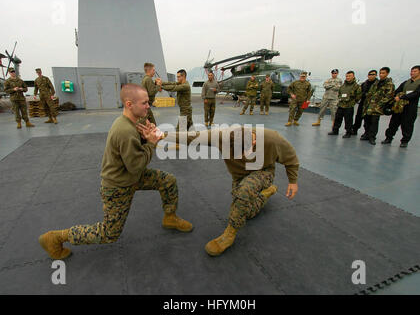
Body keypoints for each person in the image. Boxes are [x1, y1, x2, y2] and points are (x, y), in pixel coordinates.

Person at [39, 84, 193, 260]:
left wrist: (145, 137)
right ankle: (56, 237)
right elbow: (137, 166)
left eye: (148, 102)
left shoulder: (131, 122)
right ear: (129, 104)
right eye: (144, 103)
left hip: (130, 176)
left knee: (168, 181)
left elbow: (135, 157)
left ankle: (170, 217)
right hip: (118, 185)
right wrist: (151, 143)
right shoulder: (125, 131)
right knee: (109, 233)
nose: (148, 106)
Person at [149, 125, 299, 257]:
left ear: (253, 141)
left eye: (247, 151)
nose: (244, 156)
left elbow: (291, 157)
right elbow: (192, 137)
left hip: (263, 172)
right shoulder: (221, 137)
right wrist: (162, 135)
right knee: (246, 211)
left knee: (244, 193)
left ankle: (229, 234)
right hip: (239, 177)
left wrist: (293, 181)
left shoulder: (271, 138)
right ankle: (266, 193)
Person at [382, 65, 420, 148]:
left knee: (407, 124)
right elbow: (397, 91)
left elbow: (416, 94)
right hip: (399, 107)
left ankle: (404, 141)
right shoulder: (406, 82)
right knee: (393, 123)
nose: (412, 73)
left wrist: (402, 97)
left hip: (410, 107)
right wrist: (395, 96)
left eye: (415, 71)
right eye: (412, 71)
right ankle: (388, 138)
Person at [362, 67, 394, 145]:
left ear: (387, 73)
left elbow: (388, 96)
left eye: (383, 73)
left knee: (374, 122)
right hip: (369, 105)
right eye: (380, 73)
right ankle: (366, 134)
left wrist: (379, 104)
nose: (381, 75)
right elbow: (370, 93)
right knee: (367, 121)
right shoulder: (376, 83)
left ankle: (372, 137)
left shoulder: (389, 84)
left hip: (377, 107)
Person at [328, 71, 361, 138]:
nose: (348, 77)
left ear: (353, 76)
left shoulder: (356, 86)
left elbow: (358, 96)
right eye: (347, 76)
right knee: (337, 119)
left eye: (349, 76)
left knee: (348, 120)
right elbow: (339, 94)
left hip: (349, 106)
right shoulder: (343, 86)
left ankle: (348, 132)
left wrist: (352, 102)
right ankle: (335, 131)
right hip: (341, 105)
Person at [352, 70, 378, 136]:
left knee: (368, 119)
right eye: (370, 74)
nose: (371, 76)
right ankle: (354, 130)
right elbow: (359, 93)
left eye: (373, 74)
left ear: (376, 75)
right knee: (358, 117)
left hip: (372, 104)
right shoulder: (364, 84)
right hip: (363, 103)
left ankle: (367, 133)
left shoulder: (378, 84)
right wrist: (355, 100)